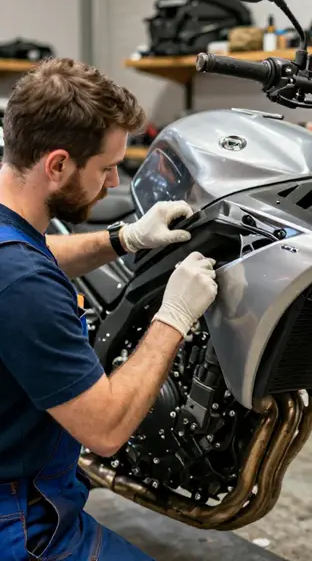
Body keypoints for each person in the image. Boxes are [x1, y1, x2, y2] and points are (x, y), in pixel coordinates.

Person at [0, 58, 219, 561]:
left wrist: (125, 238)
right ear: (57, 165)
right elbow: (105, 430)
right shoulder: (24, 284)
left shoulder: (12, 238)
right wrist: (174, 317)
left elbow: (34, 254)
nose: (115, 182)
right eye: (104, 168)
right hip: (20, 522)